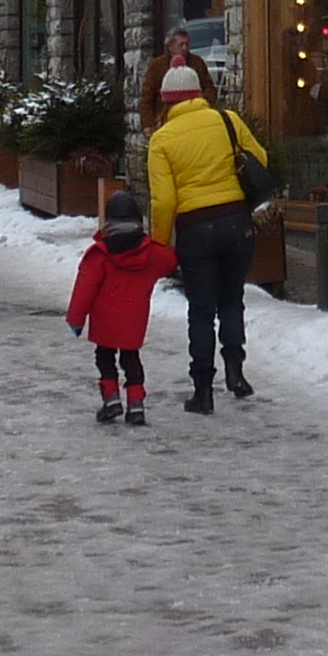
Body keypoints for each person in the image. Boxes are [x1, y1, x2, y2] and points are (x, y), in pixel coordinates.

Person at [145, 66, 271, 414]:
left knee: (201, 310)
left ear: (166, 101)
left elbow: (164, 201)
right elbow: (260, 159)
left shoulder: (162, 140)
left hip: (196, 229)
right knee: (232, 299)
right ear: (200, 94)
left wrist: (159, 244)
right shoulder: (227, 120)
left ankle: (203, 390)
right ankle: (236, 372)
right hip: (237, 223)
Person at [65, 188, 178, 424]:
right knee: (131, 359)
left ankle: (112, 399)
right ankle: (136, 405)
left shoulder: (99, 254)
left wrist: (76, 319)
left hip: (105, 321)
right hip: (134, 322)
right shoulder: (152, 253)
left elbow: (84, 289)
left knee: (105, 357)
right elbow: (171, 261)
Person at [137, 24, 205, 130]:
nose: (185, 48)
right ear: (170, 47)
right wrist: (148, 125)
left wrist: (202, 103)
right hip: (165, 121)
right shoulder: (157, 66)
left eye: (187, 44)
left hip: (194, 118)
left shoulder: (197, 63)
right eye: (181, 45)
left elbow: (209, 88)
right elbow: (147, 98)